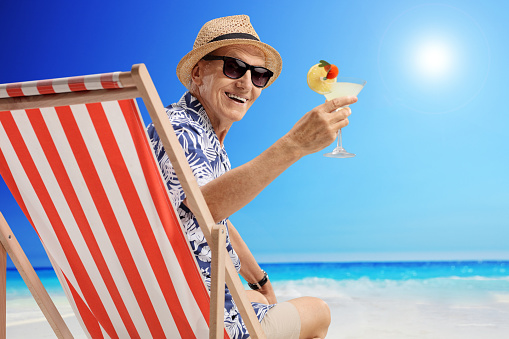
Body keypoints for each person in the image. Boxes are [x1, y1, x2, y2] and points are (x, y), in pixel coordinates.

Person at [147, 15, 357, 339]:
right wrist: (294, 145)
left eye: (259, 75)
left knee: (259, 298)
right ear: (198, 71)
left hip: (166, 309)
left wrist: (259, 279)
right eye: (233, 67)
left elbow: (213, 217)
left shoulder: (199, 135)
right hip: (204, 323)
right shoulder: (181, 130)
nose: (247, 83)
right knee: (319, 312)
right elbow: (202, 207)